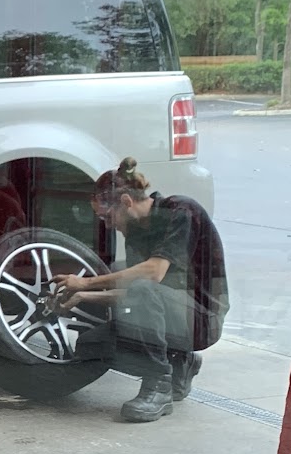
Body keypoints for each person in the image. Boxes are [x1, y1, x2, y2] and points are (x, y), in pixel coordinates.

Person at [54, 156, 229, 425]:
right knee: (91, 345)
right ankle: (180, 362)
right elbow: (136, 296)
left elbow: (153, 274)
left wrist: (87, 283)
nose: (107, 224)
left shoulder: (181, 211)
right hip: (171, 312)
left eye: (107, 216)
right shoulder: (135, 233)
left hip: (202, 320)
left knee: (143, 287)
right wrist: (82, 297)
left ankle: (158, 384)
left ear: (126, 202)